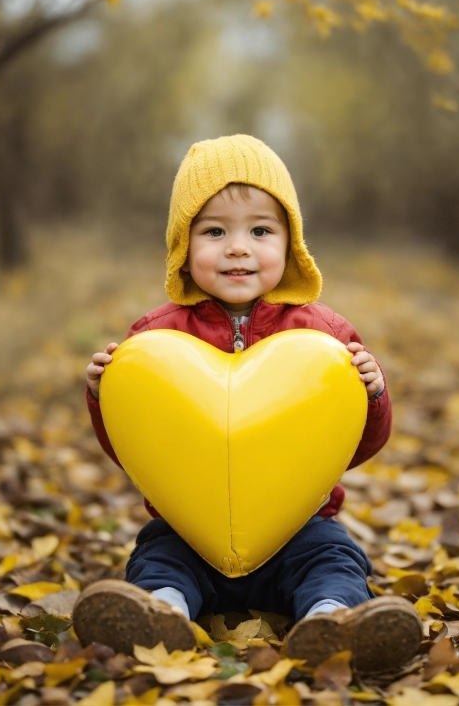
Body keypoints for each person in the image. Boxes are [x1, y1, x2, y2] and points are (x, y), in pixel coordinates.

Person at [73, 135, 422, 673]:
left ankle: (329, 619)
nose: (238, 247)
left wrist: (371, 395)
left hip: (299, 522)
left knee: (334, 557)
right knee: (158, 557)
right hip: (188, 524)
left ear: (291, 242)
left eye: (261, 231)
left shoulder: (324, 338)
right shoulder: (156, 339)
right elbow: (136, 448)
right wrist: (105, 396)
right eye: (215, 232)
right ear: (182, 246)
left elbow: (356, 445)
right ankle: (160, 613)